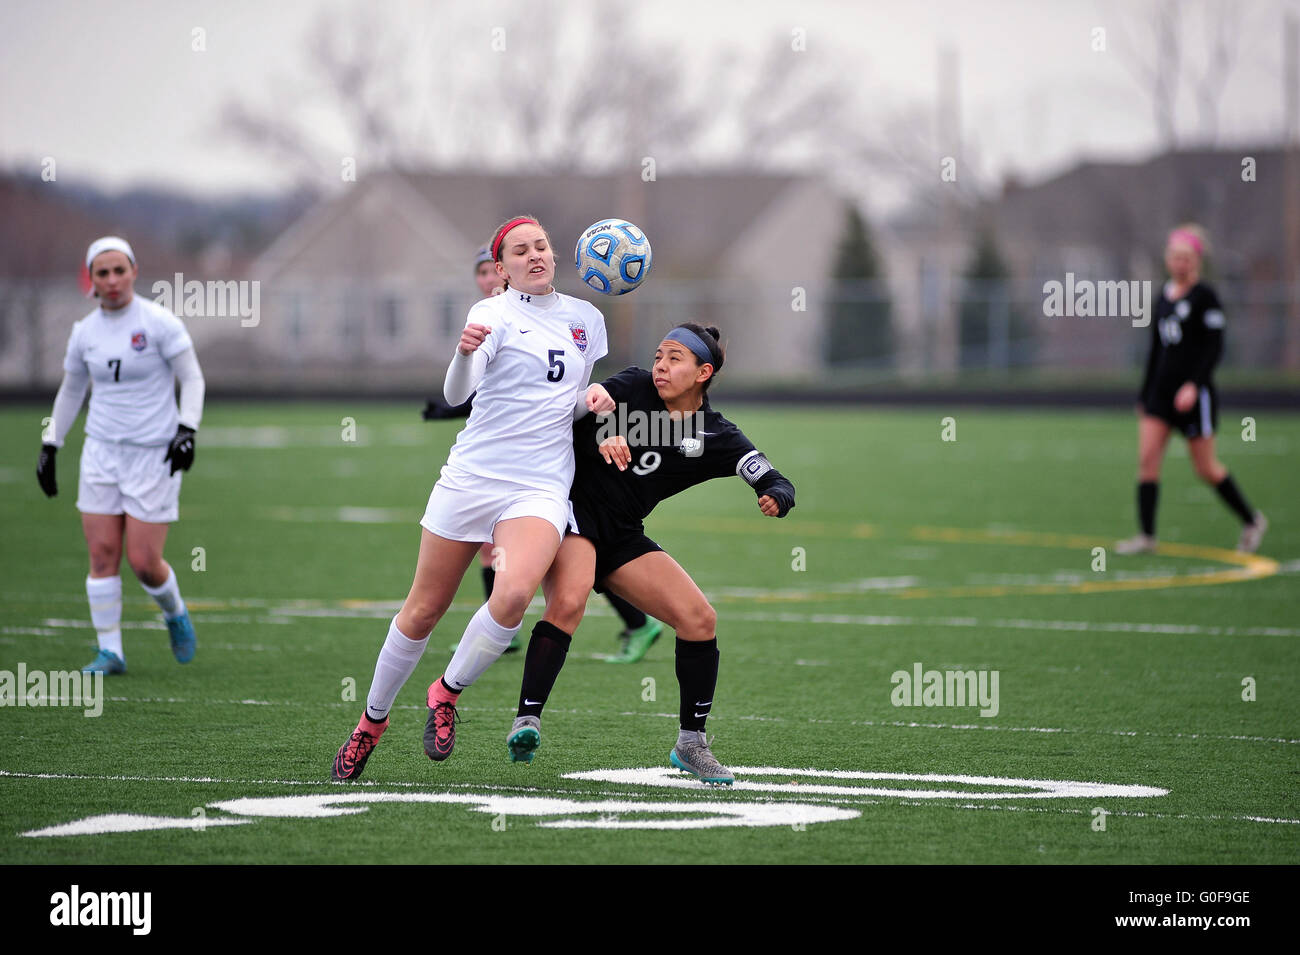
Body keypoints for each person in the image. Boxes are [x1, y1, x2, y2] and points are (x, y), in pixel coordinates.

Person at [331, 215, 609, 781]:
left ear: (555, 255)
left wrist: (593, 402)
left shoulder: (587, 319)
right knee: (424, 609)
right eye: (520, 251)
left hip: (539, 484)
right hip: (474, 476)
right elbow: (458, 392)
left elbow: (563, 401)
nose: (535, 256)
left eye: (542, 247)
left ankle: (445, 692)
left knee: (511, 596)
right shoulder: (490, 314)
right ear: (501, 268)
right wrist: (462, 355)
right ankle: (371, 722)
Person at [504, 323, 796, 784]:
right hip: (570, 512)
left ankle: (691, 745)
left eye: (674, 358)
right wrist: (604, 431)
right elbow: (578, 409)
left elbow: (771, 475)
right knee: (569, 601)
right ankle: (527, 720)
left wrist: (776, 495)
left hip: (621, 534)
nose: (660, 365)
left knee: (699, 619)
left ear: (703, 372)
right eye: (659, 354)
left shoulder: (714, 434)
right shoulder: (633, 384)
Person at [430, 246, 665, 656]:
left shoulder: (571, 318)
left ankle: (631, 620)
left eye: (491, 271)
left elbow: (557, 394)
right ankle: (507, 619)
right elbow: (500, 394)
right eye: (481, 272)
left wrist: (596, 404)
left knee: (571, 558)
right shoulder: (489, 315)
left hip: (550, 461)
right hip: (501, 464)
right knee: (518, 556)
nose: (487, 280)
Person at [37, 236, 205, 674]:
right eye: (102, 272)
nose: (112, 280)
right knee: (102, 555)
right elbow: (72, 390)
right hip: (101, 453)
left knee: (145, 564)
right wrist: (51, 443)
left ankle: (174, 612)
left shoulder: (158, 322)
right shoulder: (84, 332)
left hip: (154, 455)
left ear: (133, 271)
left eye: (119, 270)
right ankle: (111, 651)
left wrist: (187, 430)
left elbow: (192, 378)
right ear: (90, 279)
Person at [1116, 225, 1266, 555]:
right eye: (1175, 257)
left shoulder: (1206, 297)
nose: (1180, 263)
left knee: (1206, 469)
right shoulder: (1162, 298)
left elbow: (1214, 348)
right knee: (1147, 460)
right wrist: (1145, 394)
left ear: (1196, 260)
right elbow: (1155, 349)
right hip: (1160, 394)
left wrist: (1194, 386)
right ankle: (1146, 537)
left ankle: (1252, 520)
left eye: (1186, 258)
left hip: (1194, 397)